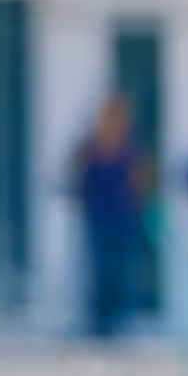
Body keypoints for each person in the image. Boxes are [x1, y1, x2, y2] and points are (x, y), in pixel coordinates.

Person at [69, 93, 152, 339]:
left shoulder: (130, 148)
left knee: (120, 269)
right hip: (98, 217)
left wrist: (139, 198)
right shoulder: (91, 147)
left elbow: (140, 179)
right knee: (99, 268)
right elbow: (79, 175)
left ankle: (119, 317)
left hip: (122, 217)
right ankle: (99, 319)